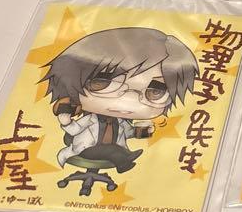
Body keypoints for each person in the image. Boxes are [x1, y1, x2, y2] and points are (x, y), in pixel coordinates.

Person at [42, 27, 198, 172]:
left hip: (113, 149)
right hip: (85, 150)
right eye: (102, 82)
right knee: (113, 151)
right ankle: (124, 162)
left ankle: (124, 158)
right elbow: (74, 130)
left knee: (114, 150)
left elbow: (127, 132)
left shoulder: (121, 122)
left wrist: (140, 132)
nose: (130, 98)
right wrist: (66, 121)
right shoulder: (90, 119)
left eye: (156, 91)